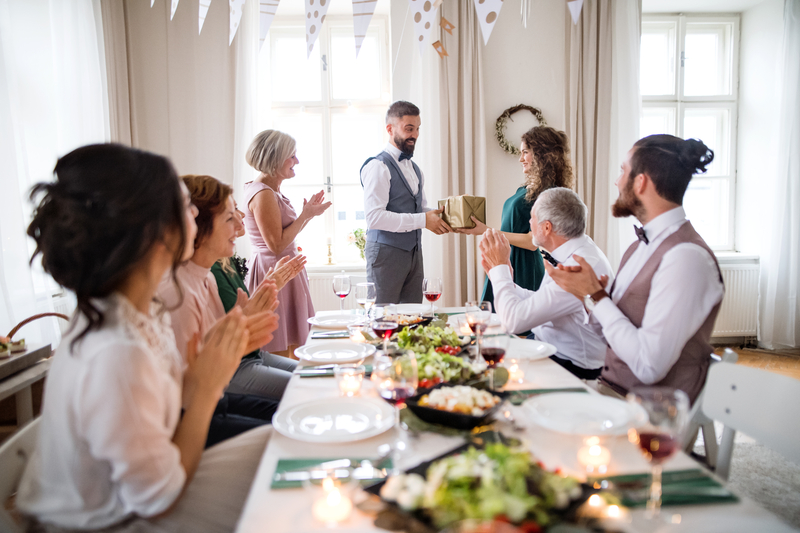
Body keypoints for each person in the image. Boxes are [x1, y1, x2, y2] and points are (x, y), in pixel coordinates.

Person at [18, 144, 273, 532]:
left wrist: (209, 363)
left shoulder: (139, 309)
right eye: (186, 206)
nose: (194, 215)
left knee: (286, 449)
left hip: (142, 491)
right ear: (155, 231)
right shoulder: (117, 350)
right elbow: (156, 498)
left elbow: (157, 411)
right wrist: (206, 388)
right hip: (113, 521)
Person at [547, 135, 724, 403]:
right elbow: (612, 336)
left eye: (623, 171)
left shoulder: (687, 258)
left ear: (641, 182)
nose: (617, 181)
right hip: (608, 390)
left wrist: (596, 296)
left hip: (646, 414)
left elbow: (648, 366)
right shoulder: (639, 247)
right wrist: (584, 294)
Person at [162, 175, 301, 404]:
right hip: (227, 380)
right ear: (198, 226)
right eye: (230, 216)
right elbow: (196, 383)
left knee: (312, 379)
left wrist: (246, 317)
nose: (241, 222)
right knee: (308, 389)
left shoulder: (206, 275)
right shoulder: (180, 291)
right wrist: (245, 318)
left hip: (242, 364)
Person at [480, 188, 614, 379]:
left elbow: (513, 322)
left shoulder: (578, 266)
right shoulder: (578, 249)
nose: (529, 222)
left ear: (546, 227)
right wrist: (504, 279)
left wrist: (500, 268)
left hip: (571, 367)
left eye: (532, 217)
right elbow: (544, 299)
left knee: (486, 370)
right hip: (552, 350)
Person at [460, 126, 574, 312]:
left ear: (541, 154)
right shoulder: (526, 190)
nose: (521, 158)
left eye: (525, 152)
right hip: (504, 258)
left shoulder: (549, 194)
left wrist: (486, 231)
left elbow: (532, 242)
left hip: (523, 265)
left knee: (514, 323)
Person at [243, 129, 330, 356]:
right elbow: (277, 245)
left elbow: (284, 235)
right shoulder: (263, 194)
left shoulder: (272, 190)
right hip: (275, 272)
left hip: (285, 271)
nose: (296, 161)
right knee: (280, 348)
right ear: (275, 158)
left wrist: (308, 214)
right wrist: (304, 215)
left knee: (294, 349)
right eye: (292, 156)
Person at [360, 100, 452, 304]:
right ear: (390, 129)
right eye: (409, 128)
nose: (415, 135)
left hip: (414, 255)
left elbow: (419, 210)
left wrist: (444, 217)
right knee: (383, 320)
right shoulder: (377, 166)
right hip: (385, 256)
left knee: (412, 319)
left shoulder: (416, 169)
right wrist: (423, 220)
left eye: (417, 129)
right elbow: (374, 217)